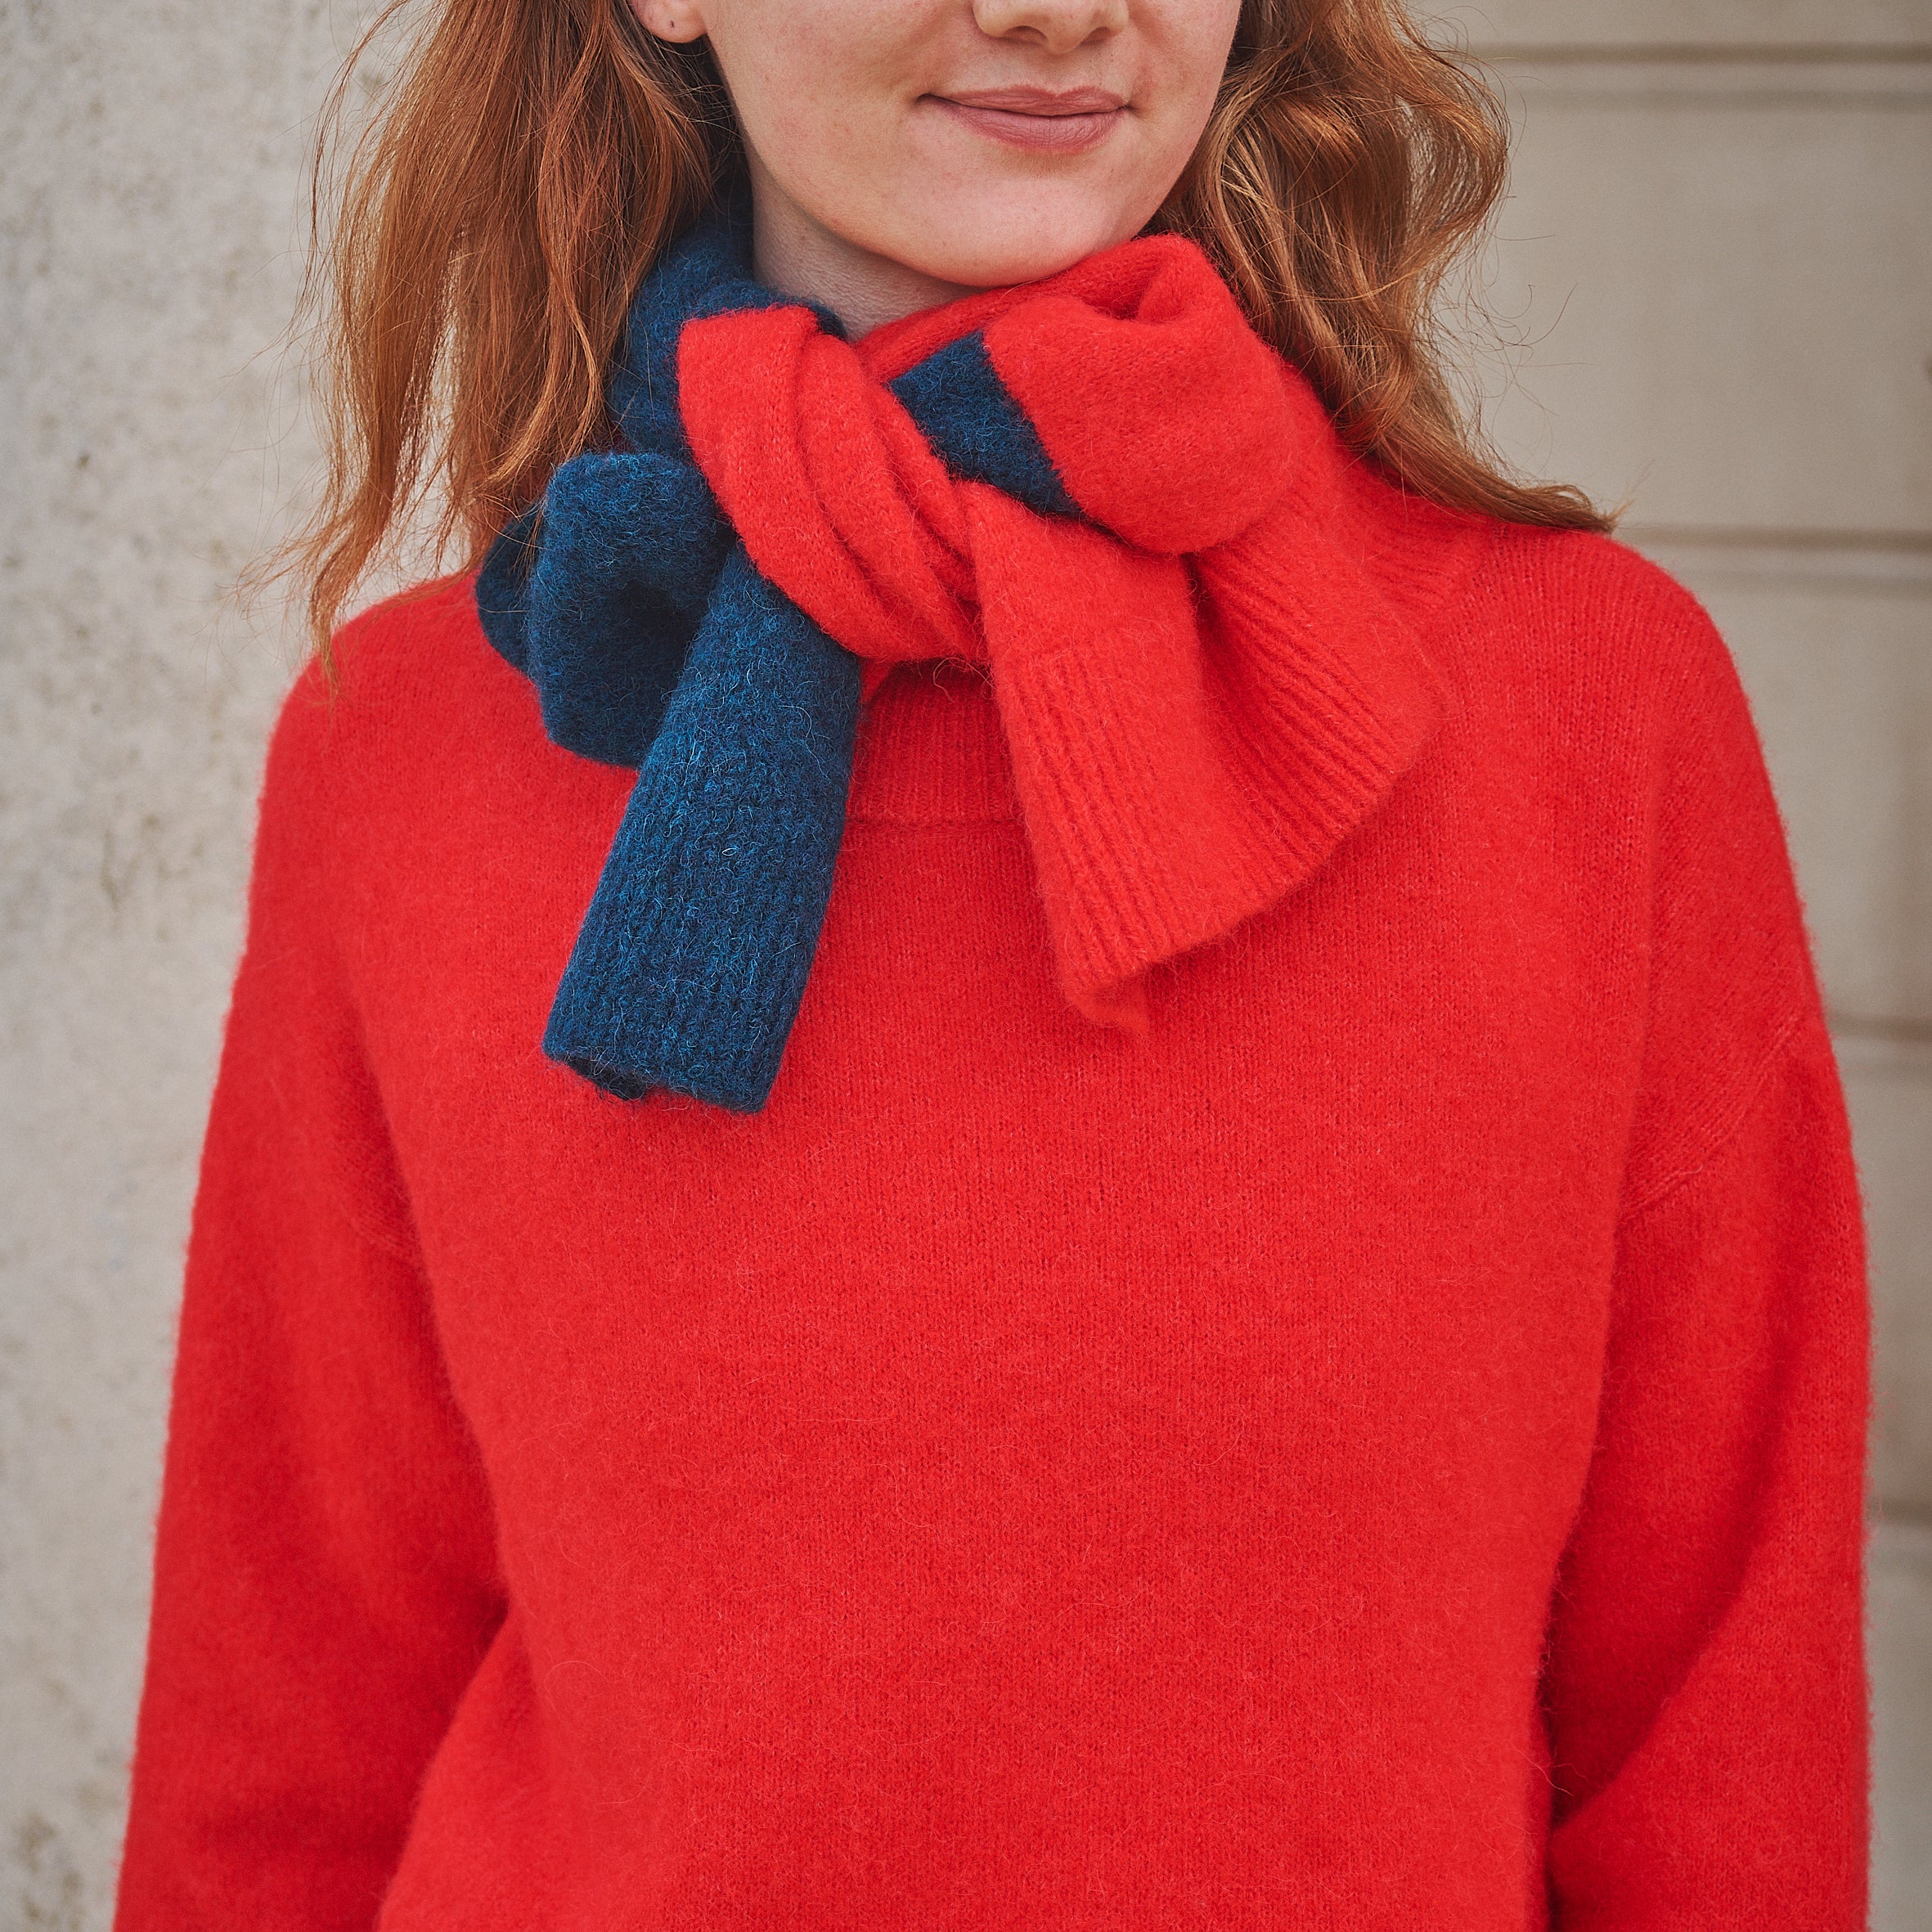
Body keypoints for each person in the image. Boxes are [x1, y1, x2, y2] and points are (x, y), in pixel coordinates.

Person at [113, 0, 1871, 1923]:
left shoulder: (1588, 714)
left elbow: (1723, 1736)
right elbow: (282, 1741)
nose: (1056, 6)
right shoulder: (409, 745)